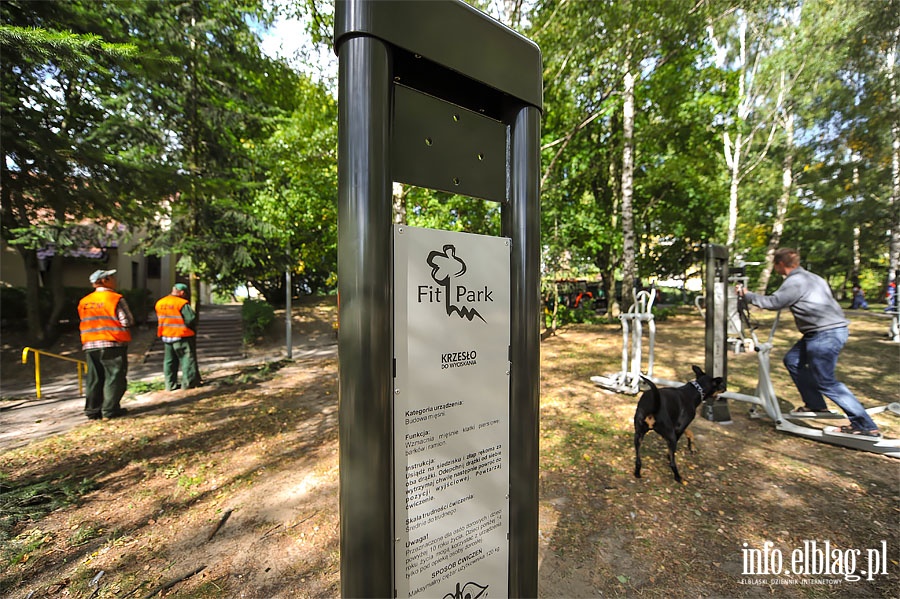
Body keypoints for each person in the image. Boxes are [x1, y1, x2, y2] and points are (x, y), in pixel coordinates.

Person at [736, 248, 881, 437]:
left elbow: (773, 303)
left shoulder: (796, 281)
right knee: (793, 360)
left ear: (780, 264)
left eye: (775, 265)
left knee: (825, 380)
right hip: (821, 332)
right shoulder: (812, 277)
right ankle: (816, 405)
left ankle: (864, 425)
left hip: (825, 334)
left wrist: (746, 294)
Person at [78, 269, 134, 420]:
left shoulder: (84, 301)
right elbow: (127, 321)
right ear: (105, 280)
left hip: (90, 344)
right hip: (112, 342)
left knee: (94, 377)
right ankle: (110, 410)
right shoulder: (115, 298)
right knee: (114, 377)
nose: (115, 279)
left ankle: (92, 411)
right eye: (112, 277)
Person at [155, 282, 201, 391]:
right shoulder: (181, 303)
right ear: (182, 292)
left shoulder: (160, 302)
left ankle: (170, 385)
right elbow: (190, 319)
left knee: (169, 361)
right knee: (187, 359)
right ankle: (189, 383)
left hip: (166, 336)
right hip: (181, 336)